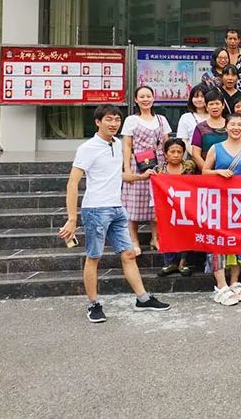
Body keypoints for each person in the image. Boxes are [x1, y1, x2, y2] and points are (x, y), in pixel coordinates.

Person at [59, 105, 170, 322]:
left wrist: (140, 177)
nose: (114, 124)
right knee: (94, 257)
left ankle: (142, 298)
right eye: (109, 119)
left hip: (118, 208)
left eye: (117, 120)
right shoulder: (87, 148)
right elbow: (72, 182)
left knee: (128, 254)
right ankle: (93, 304)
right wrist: (72, 218)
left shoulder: (117, 144)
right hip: (95, 209)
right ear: (97, 122)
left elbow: (116, 175)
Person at [202, 113, 241, 306]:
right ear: (226, 127)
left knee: (238, 242)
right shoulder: (215, 148)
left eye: (240, 124)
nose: (236, 128)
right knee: (218, 242)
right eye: (232, 124)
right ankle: (221, 284)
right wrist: (218, 172)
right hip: (218, 202)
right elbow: (204, 172)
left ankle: (234, 281)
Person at [121, 85, 171, 256]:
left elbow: (166, 143)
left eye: (148, 96)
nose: (145, 99)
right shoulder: (131, 120)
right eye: (141, 97)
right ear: (136, 100)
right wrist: (127, 169)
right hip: (138, 164)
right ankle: (134, 240)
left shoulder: (161, 119)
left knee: (156, 202)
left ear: (153, 98)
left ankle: (155, 238)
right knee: (134, 202)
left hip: (158, 164)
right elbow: (127, 145)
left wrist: (167, 167)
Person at [156, 138, 199, 278]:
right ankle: (170, 263)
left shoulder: (189, 167)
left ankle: (182, 263)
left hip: (186, 207)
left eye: (179, 152)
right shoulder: (159, 170)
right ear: (165, 154)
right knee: (167, 233)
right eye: (172, 152)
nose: (176, 155)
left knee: (185, 234)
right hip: (166, 207)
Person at [191, 89, 227, 171]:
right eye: (211, 104)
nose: (214, 107)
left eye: (217, 103)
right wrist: (208, 171)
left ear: (223, 105)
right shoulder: (200, 127)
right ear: (206, 107)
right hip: (206, 174)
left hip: (230, 172)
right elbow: (196, 155)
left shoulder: (231, 125)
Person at [175, 84, 208, 155]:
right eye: (196, 97)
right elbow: (184, 140)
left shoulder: (214, 116)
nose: (199, 99)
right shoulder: (186, 117)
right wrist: (196, 156)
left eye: (202, 96)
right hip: (192, 156)